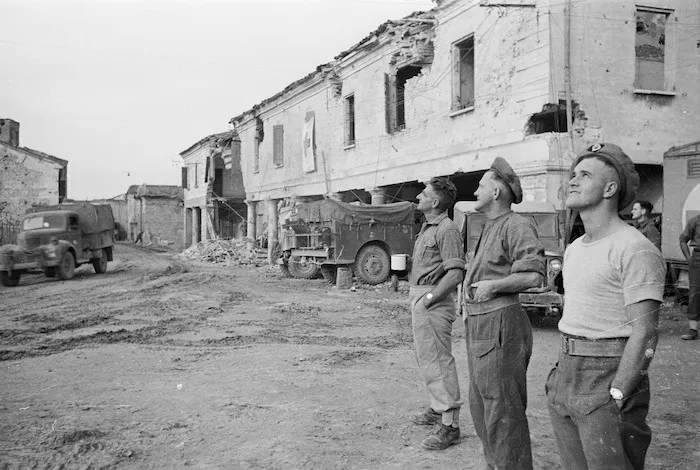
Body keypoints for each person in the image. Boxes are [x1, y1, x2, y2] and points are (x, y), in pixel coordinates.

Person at [546, 143, 666, 469]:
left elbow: (645, 333)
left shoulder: (634, 248)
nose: (572, 180)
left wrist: (617, 394)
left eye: (584, 175)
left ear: (610, 188)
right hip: (566, 368)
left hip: (608, 372)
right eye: (573, 174)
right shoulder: (574, 249)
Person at [463, 157, 545, 469]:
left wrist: (494, 287)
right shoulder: (491, 226)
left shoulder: (516, 225)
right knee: (482, 406)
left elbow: (534, 276)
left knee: (504, 410)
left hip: (501, 326)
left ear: (496, 192)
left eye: (481, 186)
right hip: (481, 325)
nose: (476, 191)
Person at [408, 176, 465, 450]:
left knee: (440, 361)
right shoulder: (429, 227)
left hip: (432, 300)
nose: (419, 195)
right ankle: (437, 408)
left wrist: (429, 299)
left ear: (435, 202)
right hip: (422, 297)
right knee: (428, 358)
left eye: (424, 193)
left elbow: (455, 274)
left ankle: (450, 424)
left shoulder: (446, 229)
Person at [679, 214, 700, 340]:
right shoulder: (695, 220)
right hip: (698, 258)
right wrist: (688, 258)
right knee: (695, 294)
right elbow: (683, 240)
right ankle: (693, 330)